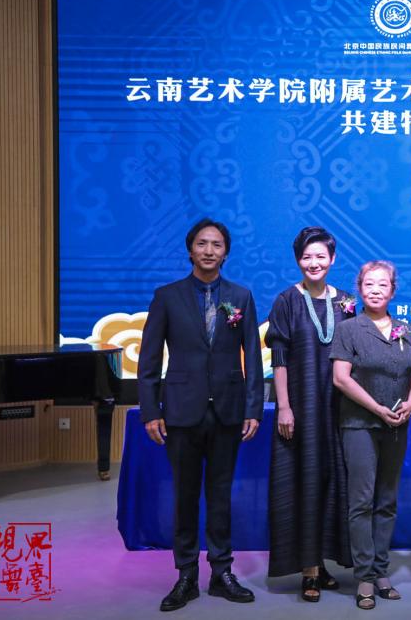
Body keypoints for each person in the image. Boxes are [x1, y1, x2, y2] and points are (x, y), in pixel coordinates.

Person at [138, 219, 264, 612]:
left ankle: (222, 572)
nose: (209, 251)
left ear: (226, 252)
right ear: (190, 249)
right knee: (185, 496)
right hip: (180, 411)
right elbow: (149, 359)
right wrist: (150, 410)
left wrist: (253, 408)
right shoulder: (167, 297)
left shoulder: (241, 296)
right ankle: (186, 575)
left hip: (228, 411)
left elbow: (253, 357)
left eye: (217, 245)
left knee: (221, 495)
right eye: (202, 244)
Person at [265, 226, 354, 600]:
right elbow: (280, 358)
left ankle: (322, 562)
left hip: (339, 409)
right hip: (300, 410)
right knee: (303, 482)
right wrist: (284, 407)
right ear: (298, 260)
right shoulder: (286, 301)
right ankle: (309, 571)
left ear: (332, 259)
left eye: (320, 256)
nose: (314, 263)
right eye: (306, 256)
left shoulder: (347, 301)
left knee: (332, 483)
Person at [330, 261, 411, 610]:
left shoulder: (406, 330)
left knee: (387, 500)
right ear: (360, 288)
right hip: (359, 424)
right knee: (362, 502)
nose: (376, 290)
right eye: (369, 284)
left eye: (383, 284)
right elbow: (340, 378)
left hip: (397, 424)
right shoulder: (349, 329)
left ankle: (381, 571)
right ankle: (365, 576)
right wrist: (377, 409)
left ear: (393, 291)